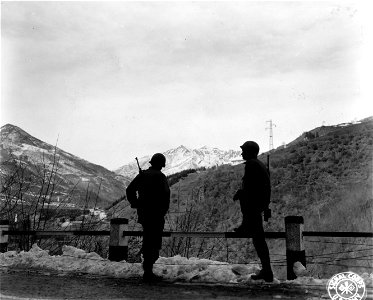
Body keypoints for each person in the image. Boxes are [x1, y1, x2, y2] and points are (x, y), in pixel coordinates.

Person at [126, 153, 170, 282]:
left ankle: (147, 271)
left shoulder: (142, 175)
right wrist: (162, 211)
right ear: (161, 164)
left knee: (148, 240)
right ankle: (148, 272)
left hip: (144, 214)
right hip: (156, 215)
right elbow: (166, 196)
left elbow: (130, 190)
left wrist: (136, 203)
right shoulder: (160, 177)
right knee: (154, 243)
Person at [233, 141, 273, 282]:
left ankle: (267, 272)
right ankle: (267, 271)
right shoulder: (258, 164)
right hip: (258, 206)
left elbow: (250, 189)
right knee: (258, 240)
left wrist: (241, 193)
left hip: (254, 208)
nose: (242, 153)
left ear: (250, 151)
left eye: (244, 151)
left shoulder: (252, 165)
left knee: (259, 240)